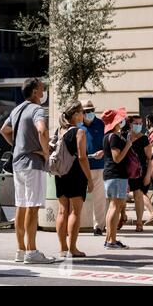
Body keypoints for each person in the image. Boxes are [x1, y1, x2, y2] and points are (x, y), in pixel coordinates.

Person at [0, 77, 55, 264]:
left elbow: (4, 130)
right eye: (41, 88)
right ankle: (32, 251)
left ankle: (21, 250)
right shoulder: (37, 109)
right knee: (32, 208)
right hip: (33, 163)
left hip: (18, 164)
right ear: (34, 92)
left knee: (21, 207)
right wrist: (46, 151)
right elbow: (42, 130)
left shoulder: (16, 109)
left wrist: (18, 146)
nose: (43, 90)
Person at [55, 100, 93, 258]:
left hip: (61, 173)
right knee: (75, 212)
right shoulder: (79, 132)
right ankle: (72, 249)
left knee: (62, 211)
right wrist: (90, 179)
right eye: (82, 112)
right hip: (76, 173)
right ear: (76, 114)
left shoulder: (59, 131)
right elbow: (82, 158)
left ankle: (63, 248)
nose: (84, 115)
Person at [102, 108, 136, 249]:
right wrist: (128, 145)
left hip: (112, 175)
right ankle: (111, 240)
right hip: (116, 174)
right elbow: (117, 158)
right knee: (115, 207)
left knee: (113, 206)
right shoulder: (114, 137)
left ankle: (110, 238)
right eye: (120, 120)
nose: (122, 121)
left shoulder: (108, 137)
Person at [79, 100, 106, 236]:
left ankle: (99, 226)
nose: (89, 113)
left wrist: (103, 151)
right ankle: (74, 224)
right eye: (85, 111)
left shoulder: (101, 124)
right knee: (77, 197)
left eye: (91, 110)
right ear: (81, 113)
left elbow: (107, 143)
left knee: (99, 198)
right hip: (81, 167)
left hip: (99, 166)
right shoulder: (78, 126)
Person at [126, 115, 153, 232]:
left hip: (140, 172)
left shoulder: (144, 139)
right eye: (136, 123)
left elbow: (150, 158)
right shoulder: (125, 137)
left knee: (138, 196)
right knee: (122, 197)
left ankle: (139, 222)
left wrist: (148, 174)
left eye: (140, 123)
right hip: (125, 171)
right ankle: (122, 216)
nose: (139, 126)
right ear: (130, 124)